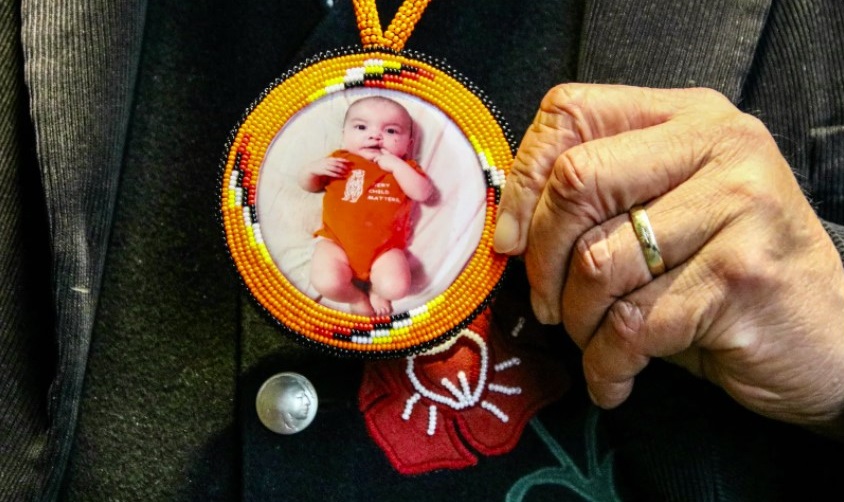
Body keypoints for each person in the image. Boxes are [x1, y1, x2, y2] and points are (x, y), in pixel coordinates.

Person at [298, 96, 434, 316]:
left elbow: (423, 192)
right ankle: (355, 296)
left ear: (409, 143)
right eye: (361, 127)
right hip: (336, 243)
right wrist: (312, 170)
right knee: (326, 282)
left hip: (385, 250)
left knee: (396, 287)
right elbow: (310, 187)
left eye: (391, 131)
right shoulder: (341, 160)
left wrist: (397, 167)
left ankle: (377, 289)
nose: (375, 135)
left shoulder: (405, 167)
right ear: (344, 135)